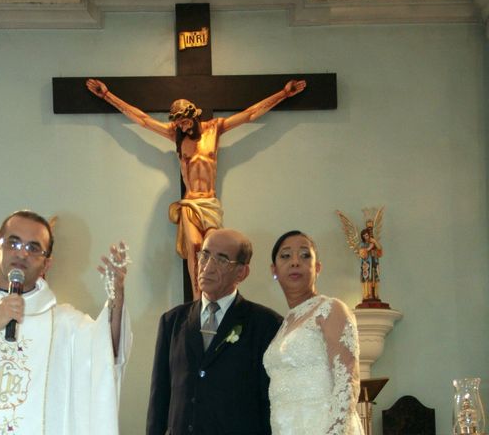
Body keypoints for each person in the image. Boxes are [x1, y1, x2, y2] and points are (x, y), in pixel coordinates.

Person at [86, 78, 306, 299]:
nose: (182, 126)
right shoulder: (176, 136)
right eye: (179, 122)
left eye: (184, 121)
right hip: (190, 203)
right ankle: (196, 298)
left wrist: (283, 94)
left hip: (209, 204)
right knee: (193, 246)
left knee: (214, 250)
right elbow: (143, 120)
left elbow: (249, 114)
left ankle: (213, 294)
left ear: (194, 115)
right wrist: (107, 96)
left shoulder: (214, 129)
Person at [0, 210, 132, 435]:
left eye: (33, 248)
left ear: (46, 265)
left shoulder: (65, 323)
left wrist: (116, 299)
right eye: (13, 243)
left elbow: (105, 356)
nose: (22, 254)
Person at [146, 228, 283, 435]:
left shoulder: (266, 324)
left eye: (221, 259)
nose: (207, 267)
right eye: (205, 255)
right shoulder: (172, 321)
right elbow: (160, 397)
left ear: (241, 272)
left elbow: (268, 402)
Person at [264, 230, 364, 435]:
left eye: (305, 255)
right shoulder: (283, 327)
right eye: (285, 256)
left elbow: (347, 382)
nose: (295, 262)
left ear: (317, 267)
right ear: (274, 270)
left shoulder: (331, 310)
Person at [359, 228, 382, 300]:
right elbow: (362, 254)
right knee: (367, 278)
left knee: (375, 278)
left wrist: (375, 242)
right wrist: (369, 248)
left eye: (367, 235)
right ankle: (367, 295)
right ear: (363, 237)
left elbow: (380, 249)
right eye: (365, 236)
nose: (367, 237)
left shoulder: (373, 242)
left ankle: (375, 295)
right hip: (367, 264)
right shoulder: (362, 244)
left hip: (374, 262)